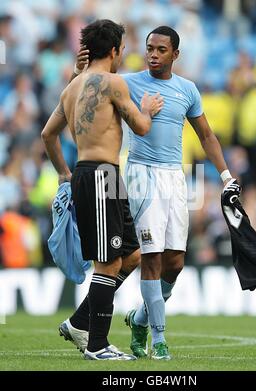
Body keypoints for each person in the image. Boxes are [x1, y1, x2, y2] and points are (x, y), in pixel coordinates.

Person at [63, 25, 241, 360]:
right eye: (149, 48)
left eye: (161, 50)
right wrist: (77, 71)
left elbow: (206, 136)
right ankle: (158, 340)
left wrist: (227, 176)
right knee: (150, 257)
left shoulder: (188, 90)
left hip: (176, 178)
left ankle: (140, 318)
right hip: (140, 175)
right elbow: (83, 93)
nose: (153, 55)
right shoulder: (126, 82)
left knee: (175, 262)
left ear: (176, 54)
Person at [41, 19, 163, 361]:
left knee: (131, 255)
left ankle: (80, 323)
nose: (122, 55)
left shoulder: (72, 87)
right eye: (122, 49)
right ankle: (97, 345)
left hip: (96, 174)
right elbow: (139, 127)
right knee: (107, 263)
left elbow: (47, 135)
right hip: (99, 175)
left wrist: (64, 174)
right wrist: (148, 110)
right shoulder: (113, 82)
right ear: (113, 50)